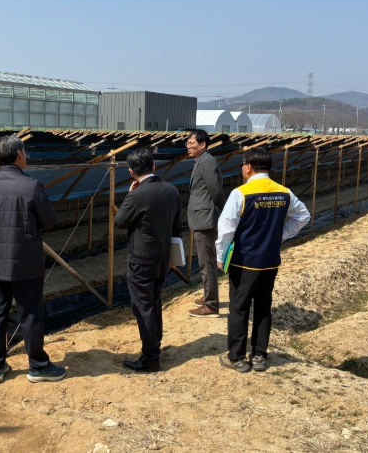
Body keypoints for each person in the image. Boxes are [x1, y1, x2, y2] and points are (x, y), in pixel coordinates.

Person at [0, 135, 65, 384]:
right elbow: (49, 220)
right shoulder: (31, 186)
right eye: (25, 152)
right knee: (30, 315)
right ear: (18, 155)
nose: (26, 156)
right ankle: (38, 365)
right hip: (26, 263)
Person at [215, 147, 310, 373]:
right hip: (270, 259)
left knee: (239, 307)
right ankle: (259, 355)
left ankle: (237, 357)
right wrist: (282, 235)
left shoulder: (241, 193)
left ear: (248, 167)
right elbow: (303, 216)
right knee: (263, 306)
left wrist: (220, 255)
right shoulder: (283, 192)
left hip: (244, 261)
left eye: (243, 165)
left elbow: (226, 228)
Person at [114, 148, 183, 372]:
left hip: (142, 260)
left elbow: (120, 221)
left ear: (131, 173)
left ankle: (150, 357)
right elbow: (177, 226)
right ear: (154, 166)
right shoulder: (171, 190)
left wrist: (129, 195)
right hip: (162, 258)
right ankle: (155, 344)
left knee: (143, 307)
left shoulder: (137, 195)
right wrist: (174, 257)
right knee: (154, 302)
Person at [186, 129, 226, 318]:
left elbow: (215, 190)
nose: (188, 146)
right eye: (187, 143)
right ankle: (208, 296)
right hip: (201, 217)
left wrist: (224, 209)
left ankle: (211, 306)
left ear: (203, 144)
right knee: (206, 260)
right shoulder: (201, 161)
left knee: (206, 262)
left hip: (205, 219)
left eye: (192, 143)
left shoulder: (207, 161)